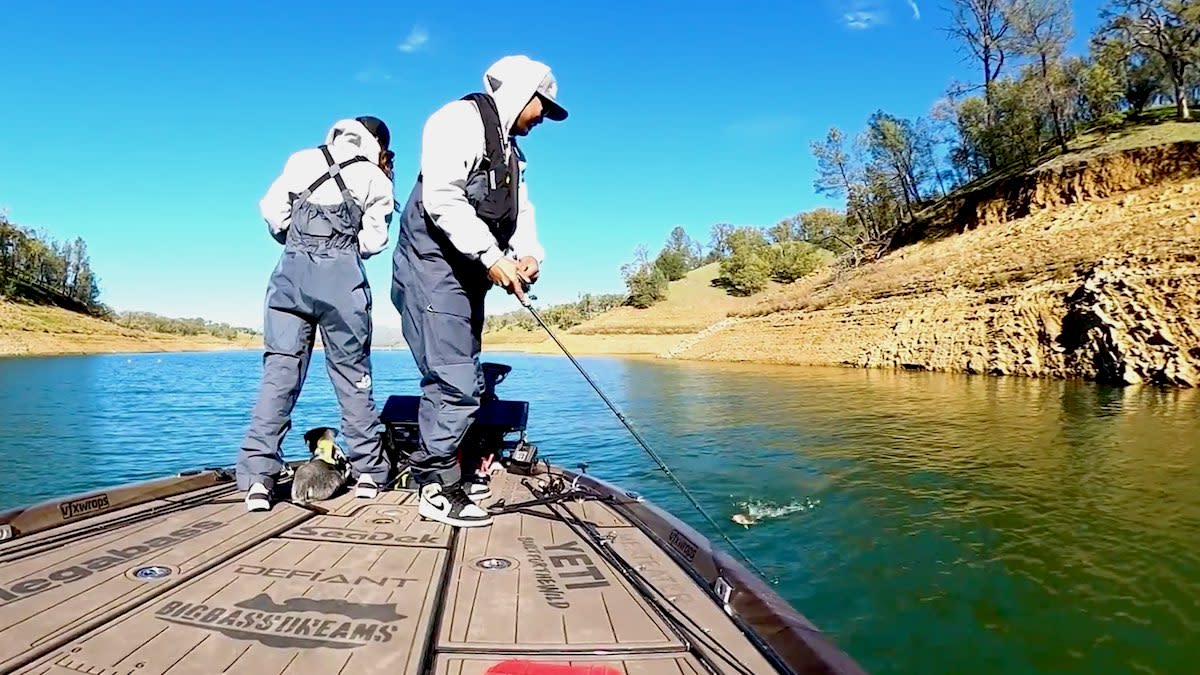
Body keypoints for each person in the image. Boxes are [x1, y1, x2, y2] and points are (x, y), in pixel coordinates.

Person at [391, 55, 568, 527]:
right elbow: (443, 198)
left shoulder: (514, 155)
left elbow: (522, 216)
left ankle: (450, 471)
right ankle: (434, 486)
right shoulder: (456, 121)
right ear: (521, 93)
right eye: (543, 108)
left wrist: (528, 256)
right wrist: (492, 259)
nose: (543, 119)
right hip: (430, 269)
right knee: (454, 379)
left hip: (466, 275)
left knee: (461, 372)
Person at [237, 116, 396, 512]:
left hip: (290, 274)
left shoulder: (301, 159)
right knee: (352, 375)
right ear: (375, 144)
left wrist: (297, 241)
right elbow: (375, 240)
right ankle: (368, 475)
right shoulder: (376, 177)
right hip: (342, 278)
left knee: (279, 373)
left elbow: (273, 212)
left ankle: (258, 480)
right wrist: (341, 250)